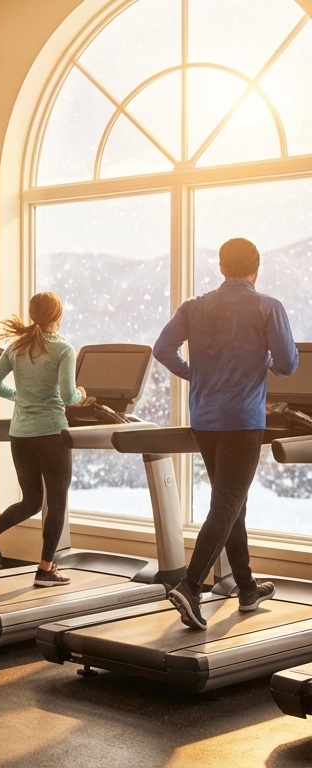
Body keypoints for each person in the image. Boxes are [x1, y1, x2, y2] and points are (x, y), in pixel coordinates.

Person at [156, 237, 298, 631]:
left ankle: (248, 588)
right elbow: (287, 365)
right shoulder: (267, 306)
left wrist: (195, 374)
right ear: (256, 268)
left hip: (205, 418)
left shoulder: (194, 306)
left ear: (221, 267)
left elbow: (162, 349)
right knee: (228, 503)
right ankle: (190, 584)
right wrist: (265, 359)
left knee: (231, 502)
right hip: (241, 420)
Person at [0, 292, 85, 586]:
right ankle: (46, 569)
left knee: (32, 500)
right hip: (51, 434)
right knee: (56, 502)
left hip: (20, 435)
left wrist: (19, 396)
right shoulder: (63, 349)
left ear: (33, 314)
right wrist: (82, 395)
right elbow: (70, 395)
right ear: (58, 317)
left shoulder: (16, 347)